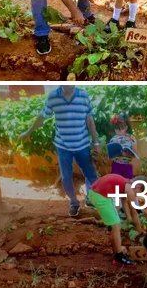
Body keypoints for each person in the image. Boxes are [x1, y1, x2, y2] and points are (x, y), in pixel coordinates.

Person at [20, 85, 101, 217]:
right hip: (63, 147)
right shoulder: (53, 96)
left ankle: (90, 198)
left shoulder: (83, 95)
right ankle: (74, 203)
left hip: (83, 144)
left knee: (91, 175)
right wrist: (28, 132)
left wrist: (96, 141)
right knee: (66, 178)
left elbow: (90, 120)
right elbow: (42, 117)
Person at [87, 173, 145, 266]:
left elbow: (124, 202)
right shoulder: (130, 189)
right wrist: (140, 230)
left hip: (94, 193)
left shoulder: (125, 184)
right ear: (138, 187)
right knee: (116, 225)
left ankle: (116, 249)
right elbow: (134, 213)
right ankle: (119, 257)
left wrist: (129, 219)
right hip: (100, 196)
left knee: (115, 224)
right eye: (139, 192)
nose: (137, 196)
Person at [108, 113, 138, 179]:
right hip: (116, 165)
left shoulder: (131, 138)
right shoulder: (113, 139)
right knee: (117, 184)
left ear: (126, 127)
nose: (119, 131)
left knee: (128, 183)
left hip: (127, 165)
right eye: (117, 129)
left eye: (121, 128)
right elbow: (110, 155)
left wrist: (127, 153)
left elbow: (135, 153)